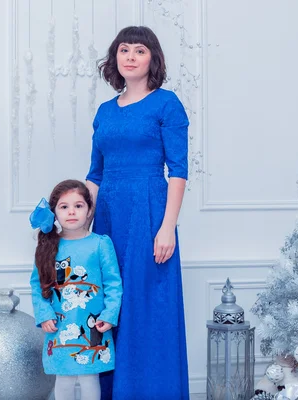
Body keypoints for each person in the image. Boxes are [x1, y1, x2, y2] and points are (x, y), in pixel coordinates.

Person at [85, 26, 190, 399]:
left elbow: (178, 171)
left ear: (152, 59)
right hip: (110, 215)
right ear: (115, 58)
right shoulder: (103, 112)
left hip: (149, 213)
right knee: (111, 302)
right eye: (124, 49)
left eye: (140, 50)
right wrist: (79, 227)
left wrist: (167, 229)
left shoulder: (167, 104)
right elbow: (95, 176)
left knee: (147, 305)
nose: (130, 56)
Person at [29, 180, 123, 400]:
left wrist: (109, 315)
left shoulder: (100, 244)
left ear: (89, 210)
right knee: (64, 377)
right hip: (61, 324)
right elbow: (37, 283)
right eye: (64, 207)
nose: (71, 211)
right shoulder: (48, 247)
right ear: (54, 213)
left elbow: (113, 283)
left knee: (90, 376)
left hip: (92, 324)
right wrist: (44, 315)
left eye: (78, 206)